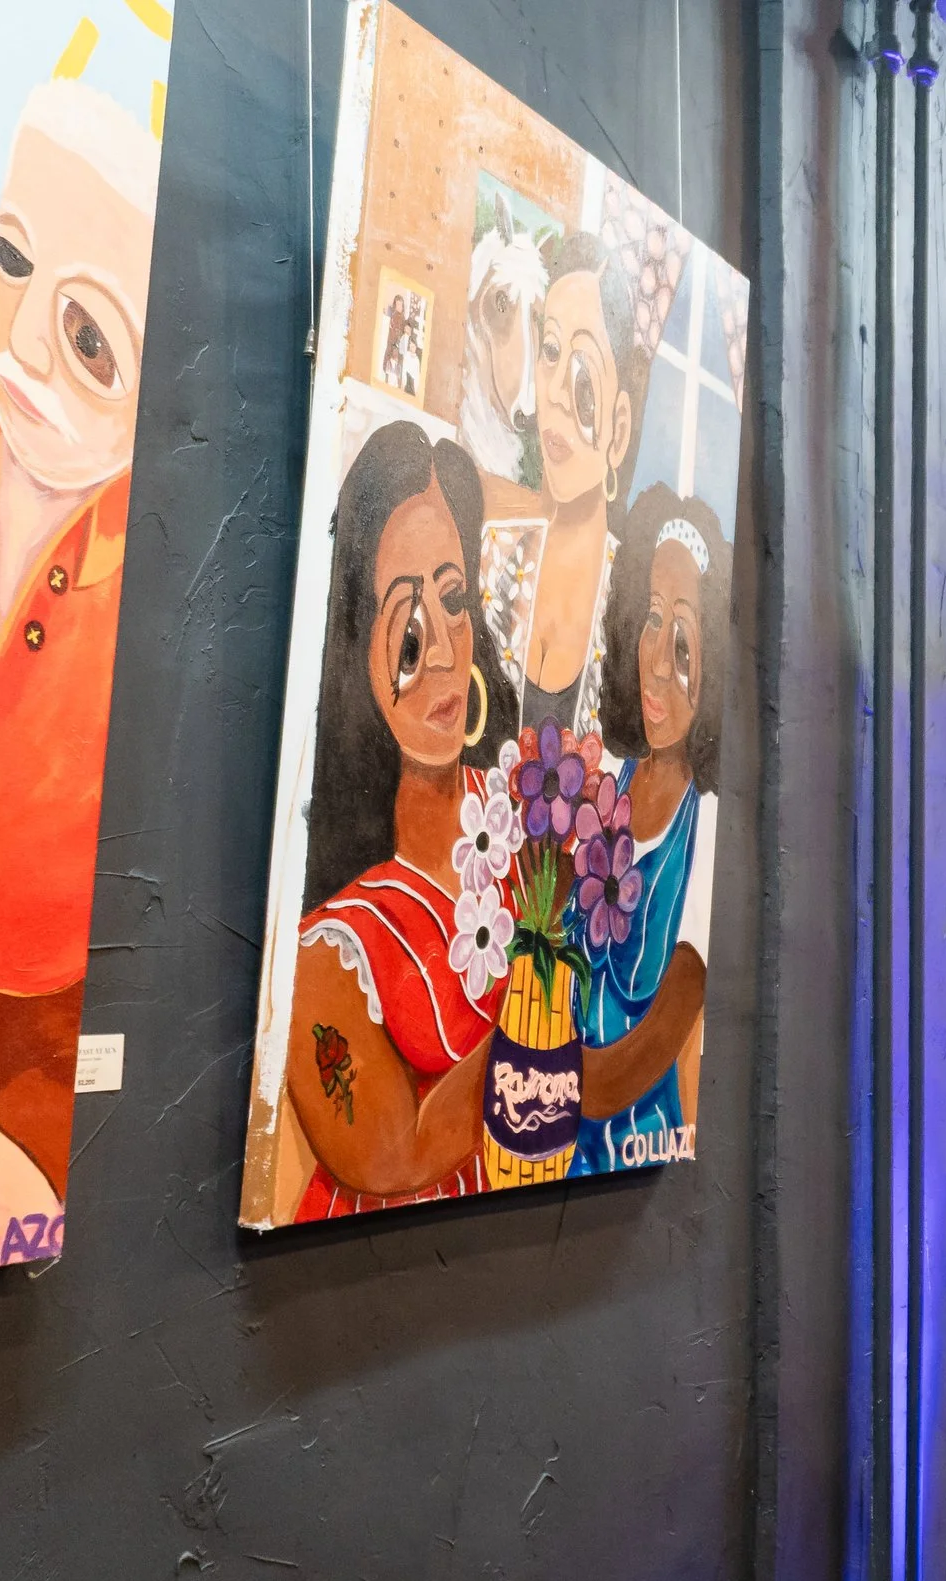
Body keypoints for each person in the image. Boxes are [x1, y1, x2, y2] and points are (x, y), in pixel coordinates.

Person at [286, 424, 702, 1218]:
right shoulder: (330, 944)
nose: (442, 650)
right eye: (408, 630)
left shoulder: (535, 820)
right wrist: (546, 1042)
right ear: (355, 654)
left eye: (454, 599)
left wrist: (678, 996)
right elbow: (390, 1153)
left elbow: (595, 1062)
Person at [0, 81, 162, 1222]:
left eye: (88, 341)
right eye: (10, 261)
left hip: (29, 1052)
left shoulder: (145, 586)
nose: (16, 343)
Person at [576, 487, 729, 1175]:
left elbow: (658, 1043)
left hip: (634, 1163)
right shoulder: (601, 778)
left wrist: (537, 1085)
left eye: (686, 641)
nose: (661, 664)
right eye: (651, 621)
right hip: (558, 1153)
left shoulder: (709, 829)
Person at [479, 232, 649, 737]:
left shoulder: (633, 609)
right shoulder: (492, 559)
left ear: (618, 430)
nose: (552, 392)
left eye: (581, 372)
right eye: (549, 350)